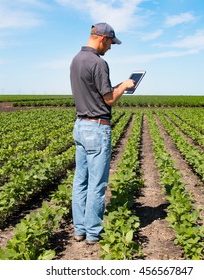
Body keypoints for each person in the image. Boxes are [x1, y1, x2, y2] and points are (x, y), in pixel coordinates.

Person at [70, 22, 135, 244]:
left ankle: (79, 230)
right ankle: (93, 234)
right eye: (110, 43)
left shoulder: (76, 60)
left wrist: (115, 86)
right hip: (97, 128)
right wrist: (124, 86)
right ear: (102, 38)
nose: (110, 48)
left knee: (81, 181)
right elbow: (108, 99)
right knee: (97, 184)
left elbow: (95, 92)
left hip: (80, 125)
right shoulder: (99, 63)